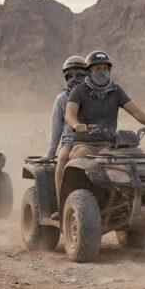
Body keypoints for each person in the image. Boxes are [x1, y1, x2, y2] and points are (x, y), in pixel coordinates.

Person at [65, 51, 145, 161]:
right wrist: (76, 124)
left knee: (134, 160)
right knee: (81, 158)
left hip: (111, 144)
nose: (102, 72)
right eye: (97, 69)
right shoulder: (79, 90)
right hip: (86, 144)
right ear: (89, 71)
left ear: (109, 70)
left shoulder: (116, 90)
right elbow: (70, 114)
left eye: (105, 68)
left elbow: (135, 112)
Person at [43, 55, 87, 200]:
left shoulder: (94, 95)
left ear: (87, 75)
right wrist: (51, 152)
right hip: (70, 141)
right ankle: (61, 204)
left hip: (91, 141)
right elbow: (56, 125)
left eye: (79, 75)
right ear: (66, 77)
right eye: (71, 75)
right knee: (62, 159)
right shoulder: (61, 98)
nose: (75, 78)